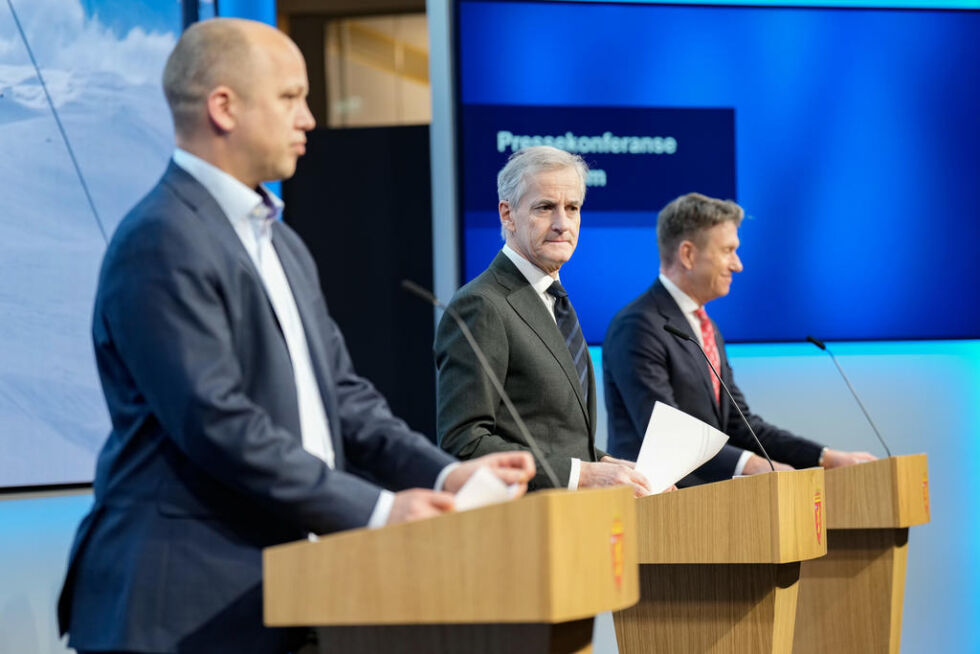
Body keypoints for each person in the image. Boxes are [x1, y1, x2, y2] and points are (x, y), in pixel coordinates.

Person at [57, 18, 534, 654]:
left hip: (292, 591)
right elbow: (218, 423)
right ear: (223, 107)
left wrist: (449, 477)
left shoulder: (280, 241)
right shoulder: (162, 238)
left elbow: (345, 399)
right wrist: (379, 511)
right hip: (181, 607)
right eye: (289, 97)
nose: (308, 119)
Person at [603, 192, 875, 484]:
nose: (737, 264)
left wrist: (826, 458)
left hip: (711, 504)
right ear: (688, 255)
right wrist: (752, 465)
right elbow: (668, 433)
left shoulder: (705, 327)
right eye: (728, 251)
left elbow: (739, 424)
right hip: (658, 509)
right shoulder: (638, 325)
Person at [435, 146, 650, 496]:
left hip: (573, 522)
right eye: (545, 207)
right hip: (524, 530)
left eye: (572, 208)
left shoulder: (554, 298)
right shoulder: (482, 305)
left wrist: (605, 464)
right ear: (508, 214)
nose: (562, 224)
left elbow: (551, 436)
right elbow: (464, 442)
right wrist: (582, 475)